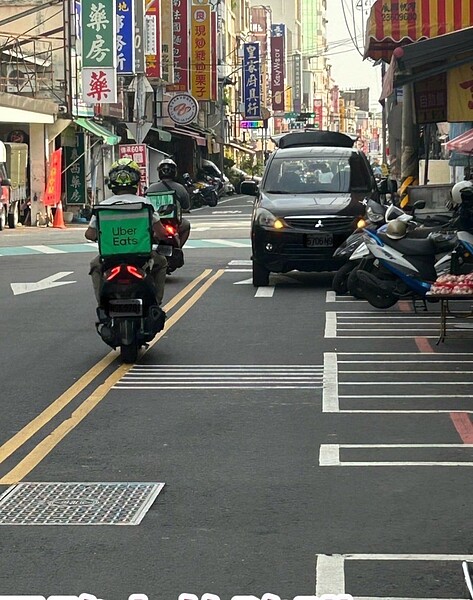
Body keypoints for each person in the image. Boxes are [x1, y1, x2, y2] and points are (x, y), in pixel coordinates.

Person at [85, 158, 169, 306]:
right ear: (137, 182)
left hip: (110, 259)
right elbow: (162, 233)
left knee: (95, 265)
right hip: (141, 258)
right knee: (161, 262)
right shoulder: (145, 204)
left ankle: (102, 305)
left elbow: (90, 235)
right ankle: (156, 302)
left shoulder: (103, 206)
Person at [146, 158, 191, 247]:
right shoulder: (180, 188)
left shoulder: (150, 188)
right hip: (174, 223)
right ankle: (179, 248)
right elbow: (186, 206)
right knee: (187, 225)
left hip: (155, 223)